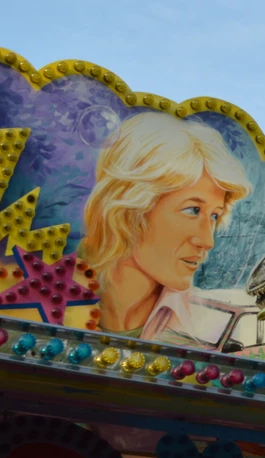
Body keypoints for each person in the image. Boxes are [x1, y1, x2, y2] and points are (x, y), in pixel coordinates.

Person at [77, 112, 253, 347]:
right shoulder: (41, 288)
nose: (207, 241)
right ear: (129, 209)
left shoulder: (208, 324)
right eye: (192, 210)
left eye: (214, 216)